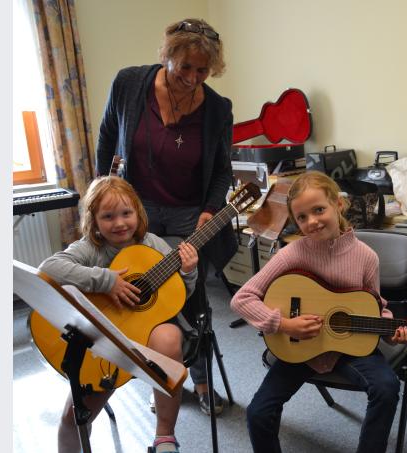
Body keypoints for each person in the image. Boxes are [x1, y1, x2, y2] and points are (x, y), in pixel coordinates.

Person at [94, 18, 237, 415]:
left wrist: (210, 209)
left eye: (203, 70)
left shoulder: (218, 109)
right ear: (167, 56)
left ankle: (204, 385)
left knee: (193, 302)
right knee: (143, 298)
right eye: (185, 67)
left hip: (190, 214)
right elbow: (107, 138)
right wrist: (103, 194)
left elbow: (222, 169)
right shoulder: (128, 84)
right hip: (135, 212)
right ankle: (162, 383)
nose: (192, 78)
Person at [230, 171, 407, 453]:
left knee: (387, 387)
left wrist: (393, 335)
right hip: (299, 349)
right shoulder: (291, 254)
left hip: (349, 348)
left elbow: (375, 307)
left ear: (338, 205)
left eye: (319, 210)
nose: (312, 222)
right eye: (302, 217)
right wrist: (284, 325)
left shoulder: (366, 257)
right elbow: (242, 298)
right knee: (258, 412)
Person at [39, 176, 198, 453]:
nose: (120, 223)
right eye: (108, 216)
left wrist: (188, 271)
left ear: (138, 211)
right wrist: (106, 280)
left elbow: (180, 293)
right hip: (102, 341)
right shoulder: (91, 248)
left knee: (169, 337)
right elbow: (49, 268)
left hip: (146, 335)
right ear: (95, 221)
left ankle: (164, 437)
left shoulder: (154, 244)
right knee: (71, 418)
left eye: (126, 213)